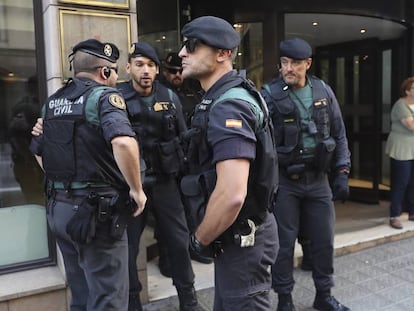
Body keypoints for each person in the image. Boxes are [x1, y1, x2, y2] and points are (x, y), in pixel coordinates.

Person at [29, 38, 147, 311]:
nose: (118, 77)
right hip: (97, 216)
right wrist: (136, 190)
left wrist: (64, 180)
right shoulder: (105, 97)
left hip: (60, 209)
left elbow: (38, 149)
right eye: (115, 70)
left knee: (81, 294)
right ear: (104, 72)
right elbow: (123, 142)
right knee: (108, 298)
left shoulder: (53, 102)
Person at [179, 16, 279, 311]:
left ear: (223, 54)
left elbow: (232, 194)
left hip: (241, 240)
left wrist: (199, 239)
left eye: (192, 46)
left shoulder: (228, 104)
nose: (182, 53)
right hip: (237, 238)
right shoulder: (224, 96)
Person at [261, 37, 351, 311]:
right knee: (284, 246)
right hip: (286, 183)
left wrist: (343, 170)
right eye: (285, 62)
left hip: (318, 181)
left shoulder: (322, 91)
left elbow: (339, 132)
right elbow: (261, 142)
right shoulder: (269, 94)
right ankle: (285, 299)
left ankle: (323, 295)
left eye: (296, 63)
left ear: (307, 64)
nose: (289, 68)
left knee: (323, 241)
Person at [117, 41, 203, 311]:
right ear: (128, 67)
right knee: (129, 249)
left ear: (157, 71)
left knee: (179, 241)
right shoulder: (115, 98)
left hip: (165, 183)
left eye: (151, 65)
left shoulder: (169, 97)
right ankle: (133, 303)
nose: (145, 71)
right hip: (131, 187)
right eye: (140, 64)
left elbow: (182, 138)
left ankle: (188, 300)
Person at [385, 77, 414, 229]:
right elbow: (411, 125)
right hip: (402, 148)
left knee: (412, 182)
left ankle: (412, 211)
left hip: (412, 148)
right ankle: (394, 215)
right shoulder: (400, 105)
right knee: (401, 182)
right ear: (407, 90)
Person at [160, 52, 202, 127]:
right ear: (165, 72)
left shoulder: (192, 91)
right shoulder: (159, 92)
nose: (177, 75)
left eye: (181, 71)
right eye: (173, 71)